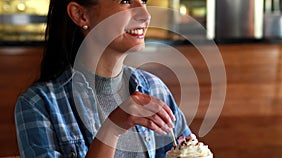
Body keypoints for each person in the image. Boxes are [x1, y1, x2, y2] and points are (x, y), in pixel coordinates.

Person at [14, 0, 193, 157]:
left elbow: (188, 151)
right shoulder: (38, 104)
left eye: (144, 0)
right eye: (125, 1)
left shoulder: (155, 89)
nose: (145, 15)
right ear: (80, 15)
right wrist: (113, 127)